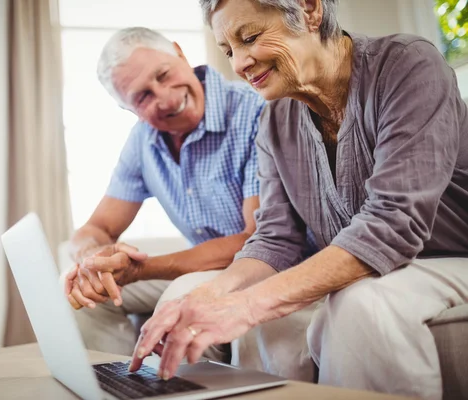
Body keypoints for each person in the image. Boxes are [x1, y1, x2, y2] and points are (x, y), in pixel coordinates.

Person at [129, 1, 468, 399]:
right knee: (240, 306)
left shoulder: (408, 65)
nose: (238, 64)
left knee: (359, 303)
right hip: (378, 268)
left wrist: (248, 305)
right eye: (228, 51)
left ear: (309, 10)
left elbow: (393, 225)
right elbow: (275, 239)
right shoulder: (274, 119)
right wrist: (212, 294)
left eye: (250, 38)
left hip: (447, 258)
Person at [60, 27, 267, 359]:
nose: (166, 98)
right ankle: (115, 386)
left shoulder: (254, 112)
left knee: (180, 294)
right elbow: (96, 229)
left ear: (179, 53)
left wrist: (144, 268)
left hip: (263, 264)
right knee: (80, 292)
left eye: (164, 74)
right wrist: (92, 263)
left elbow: (255, 240)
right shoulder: (142, 140)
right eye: (143, 96)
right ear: (129, 110)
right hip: (208, 266)